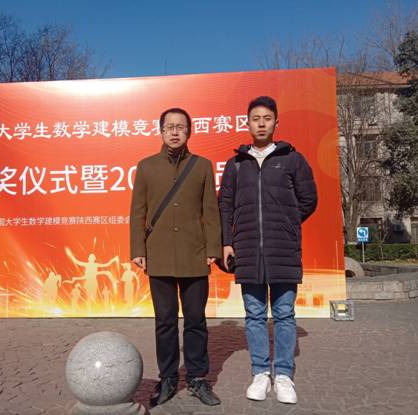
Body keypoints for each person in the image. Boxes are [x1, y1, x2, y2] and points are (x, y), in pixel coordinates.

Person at [218, 96, 317, 404]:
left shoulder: (292, 159)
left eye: (267, 118)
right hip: (247, 249)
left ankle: (284, 375)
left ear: (276, 122)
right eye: (255, 119)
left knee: (285, 314)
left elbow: (309, 199)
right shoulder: (236, 164)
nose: (261, 124)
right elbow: (225, 205)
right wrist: (227, 242)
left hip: (283, 248)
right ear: (247, 123)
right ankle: (261, 373)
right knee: (254, 315)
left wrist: (286, 223)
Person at [130, 107, 222, 406]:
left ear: (189, 132)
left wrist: (213, 249)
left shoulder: (202, 166)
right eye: (169, 126)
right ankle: (168, 378)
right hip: (158, 256)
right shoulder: (146, 167)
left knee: (195, 321)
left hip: (195, 255)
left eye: (180, 127)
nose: (174, 131)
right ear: (161, 131)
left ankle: (197, 378)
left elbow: (211, 212)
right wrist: (138, 250)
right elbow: (138, 212)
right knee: (165, 321)